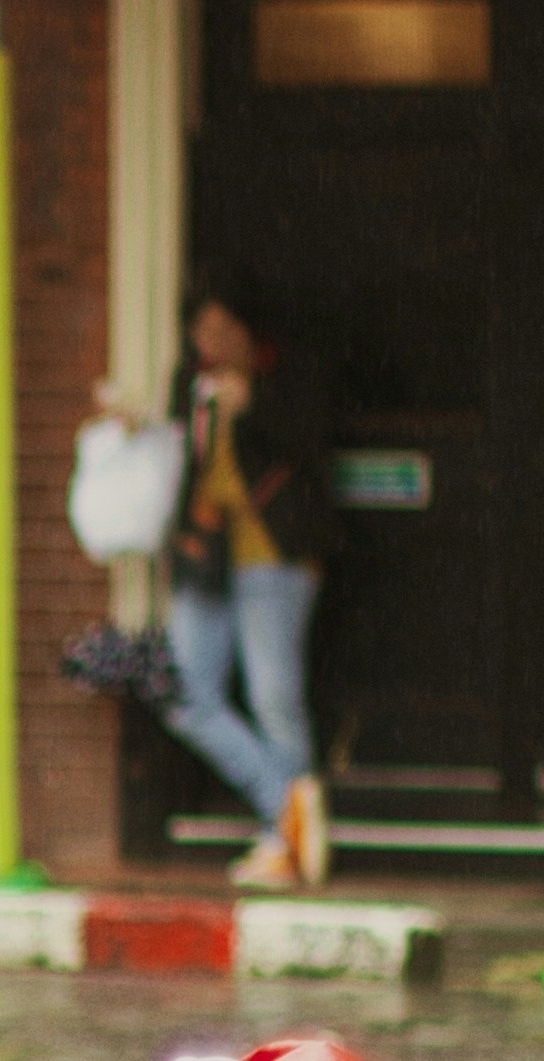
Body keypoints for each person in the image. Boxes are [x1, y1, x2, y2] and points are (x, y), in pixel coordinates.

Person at [157, 282, 334, 891]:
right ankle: (288, 808)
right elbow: (184, 466)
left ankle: (282, 839)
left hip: (272, 557)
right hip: (206, 555)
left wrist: (251, 408)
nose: (213, 343)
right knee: (183, 693)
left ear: (248, 332)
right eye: (202, 333)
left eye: (224, 330)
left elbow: (310, 446)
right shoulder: (189, 384)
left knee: (273, 697)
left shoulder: (286, 376)